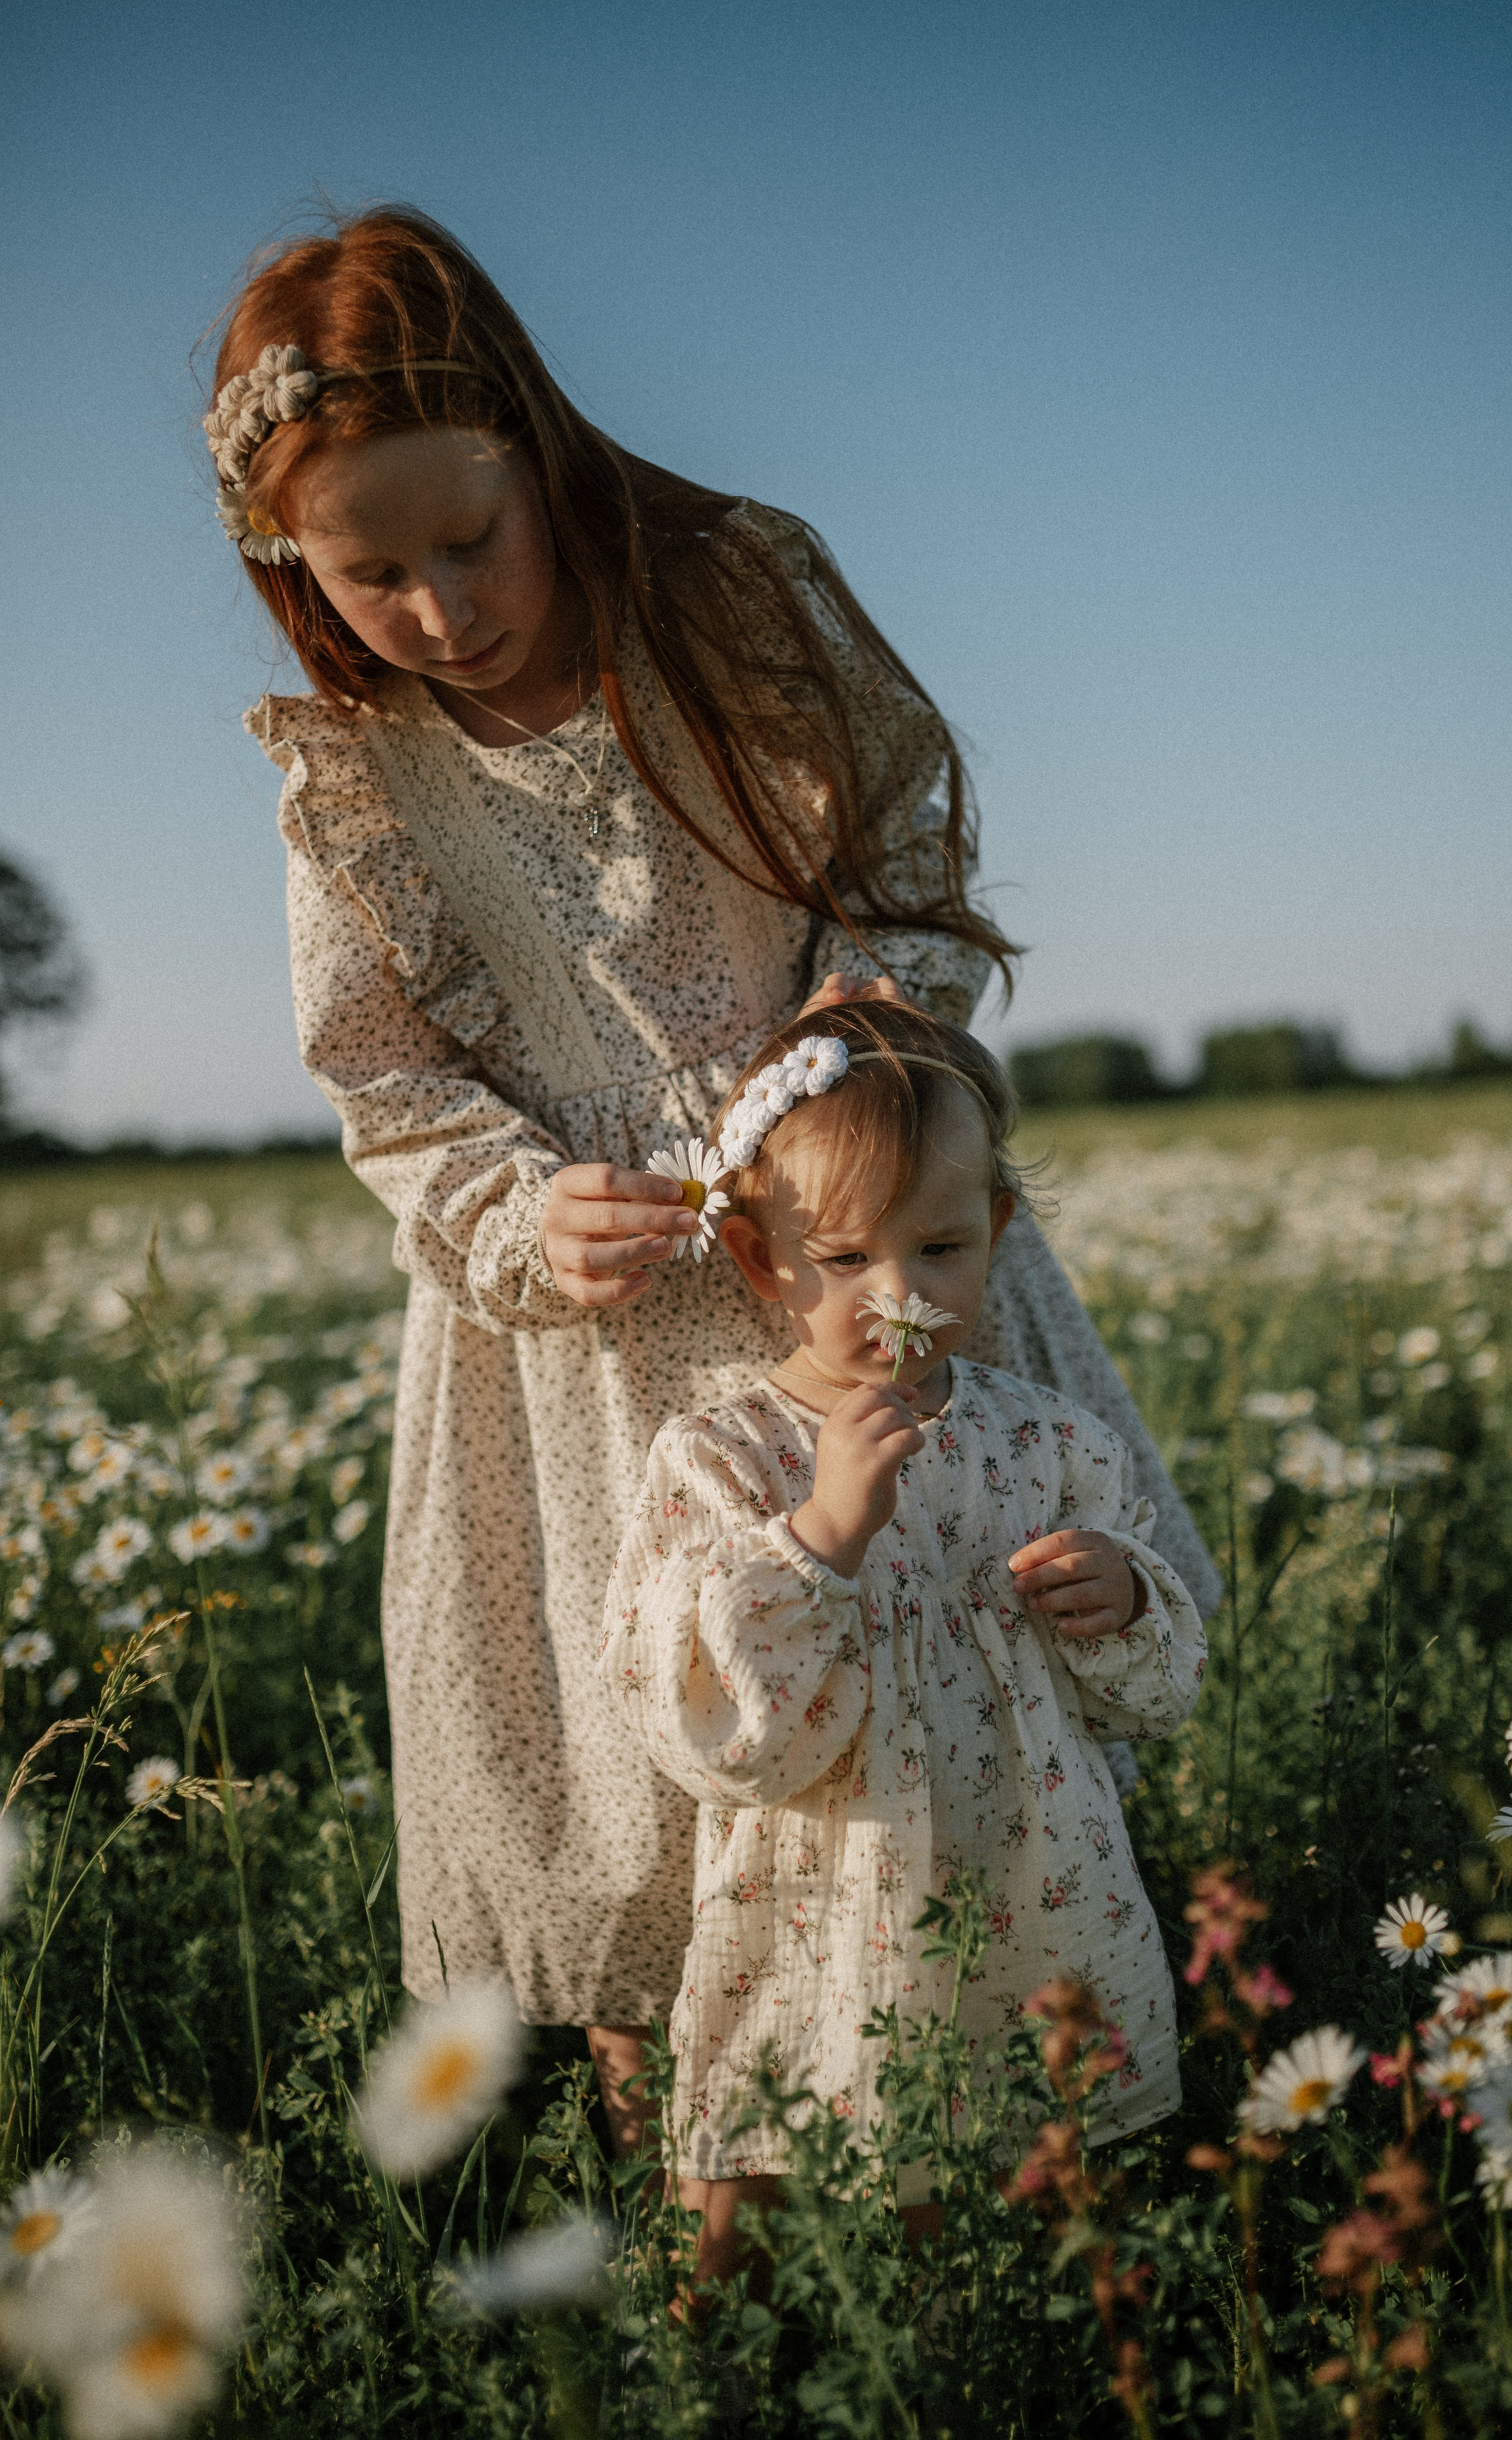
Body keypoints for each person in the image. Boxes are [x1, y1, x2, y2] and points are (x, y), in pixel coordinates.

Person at [205, 204, 1219, 2152]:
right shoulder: (353, 766)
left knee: (960, 1668)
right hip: (579, 1358)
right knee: (644, 1774)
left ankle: (1013, 2112)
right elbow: (384, 1071)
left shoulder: (731, 607)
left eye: (466, 537)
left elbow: (909, 821)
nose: (434, 606)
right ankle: (701, 2186)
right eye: (367, 572)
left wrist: (864, 981)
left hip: (851, 1255)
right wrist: (521, 1203)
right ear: (295, 569)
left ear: (533, 442)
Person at [599, 1001, 1207, 2282]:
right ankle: (703, 2373)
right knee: (746, 2160)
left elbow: (1149, 1693)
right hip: (823, 1878)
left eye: (939, 1246)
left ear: (993, 1231)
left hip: (1019, 1872)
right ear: (764, 1265)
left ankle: (989, 2355)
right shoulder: (720, 1460)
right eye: (843, 1259)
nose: (901, 1297)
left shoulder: (1045, 1442)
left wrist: (1123, 1600)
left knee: (1015, 2146)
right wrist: (818, 1533)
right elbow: (700, 1720)